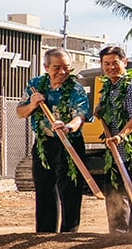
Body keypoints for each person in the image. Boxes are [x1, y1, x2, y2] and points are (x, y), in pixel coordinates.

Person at [16, 47, 89, 233]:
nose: (62, 72)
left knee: (70, 190)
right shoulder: (34, 85)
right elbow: (20, 112)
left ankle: (68, 233)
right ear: (46, 67)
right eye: (57, 68)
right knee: (44, 189)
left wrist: (68, 126)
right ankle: (45, 234)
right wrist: (32, 104)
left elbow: (80, 116)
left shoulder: (75, 88)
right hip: (43, 143)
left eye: (66, 67)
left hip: (70, 143)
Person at [94, 45, 132, 233]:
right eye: (106, 63)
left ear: (124, 62)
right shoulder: (107, 88)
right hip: (114, 151)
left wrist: (121, 135)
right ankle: (117, 235)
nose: (111, 67)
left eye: (115, 63)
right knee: (114, 194)